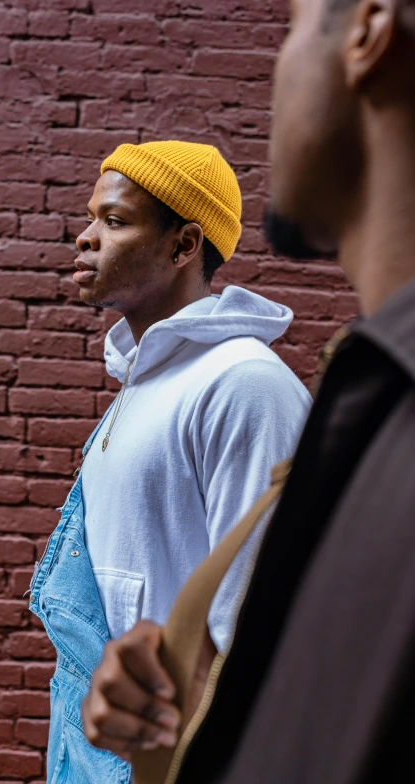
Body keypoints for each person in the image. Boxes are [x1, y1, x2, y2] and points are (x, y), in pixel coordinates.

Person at [82, 1, 415, 782]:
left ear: (367, 30)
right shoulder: (364, 388)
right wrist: (181, 704)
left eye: (292, 22)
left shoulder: (258, 387)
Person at [29, 139, 310, 783]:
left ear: (184, 246)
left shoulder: (244, 385)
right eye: (91, 216)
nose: (85, 237)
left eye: (115, 221)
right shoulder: (143, 384)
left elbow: (256, 629)